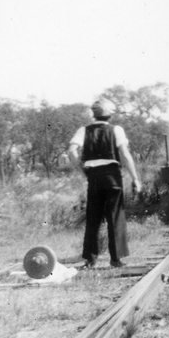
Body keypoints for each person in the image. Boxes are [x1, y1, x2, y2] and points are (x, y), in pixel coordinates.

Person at [68, 99, 141, 269]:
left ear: (94, 114)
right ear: (110, 114)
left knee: (93, 218)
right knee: (115, 217)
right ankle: (116, 260)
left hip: (93, 178)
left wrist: (81, 168)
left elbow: (72, 150)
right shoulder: (116, 130)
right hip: (112, 178)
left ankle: (90, 260)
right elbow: (124, 154)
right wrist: (135, 178)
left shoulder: (83, 130)